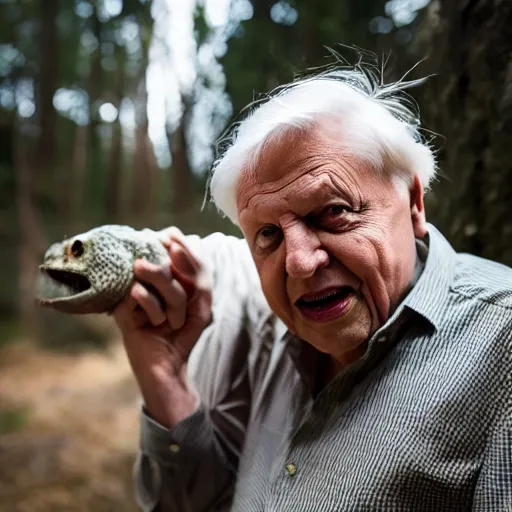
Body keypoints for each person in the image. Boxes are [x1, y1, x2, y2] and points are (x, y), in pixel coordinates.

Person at [113, 58, 512, 511]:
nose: (299, 263)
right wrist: (166, 381)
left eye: (334, 211)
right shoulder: (276, 335)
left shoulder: (503, 348)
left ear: (414, 203)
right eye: (268, 235)